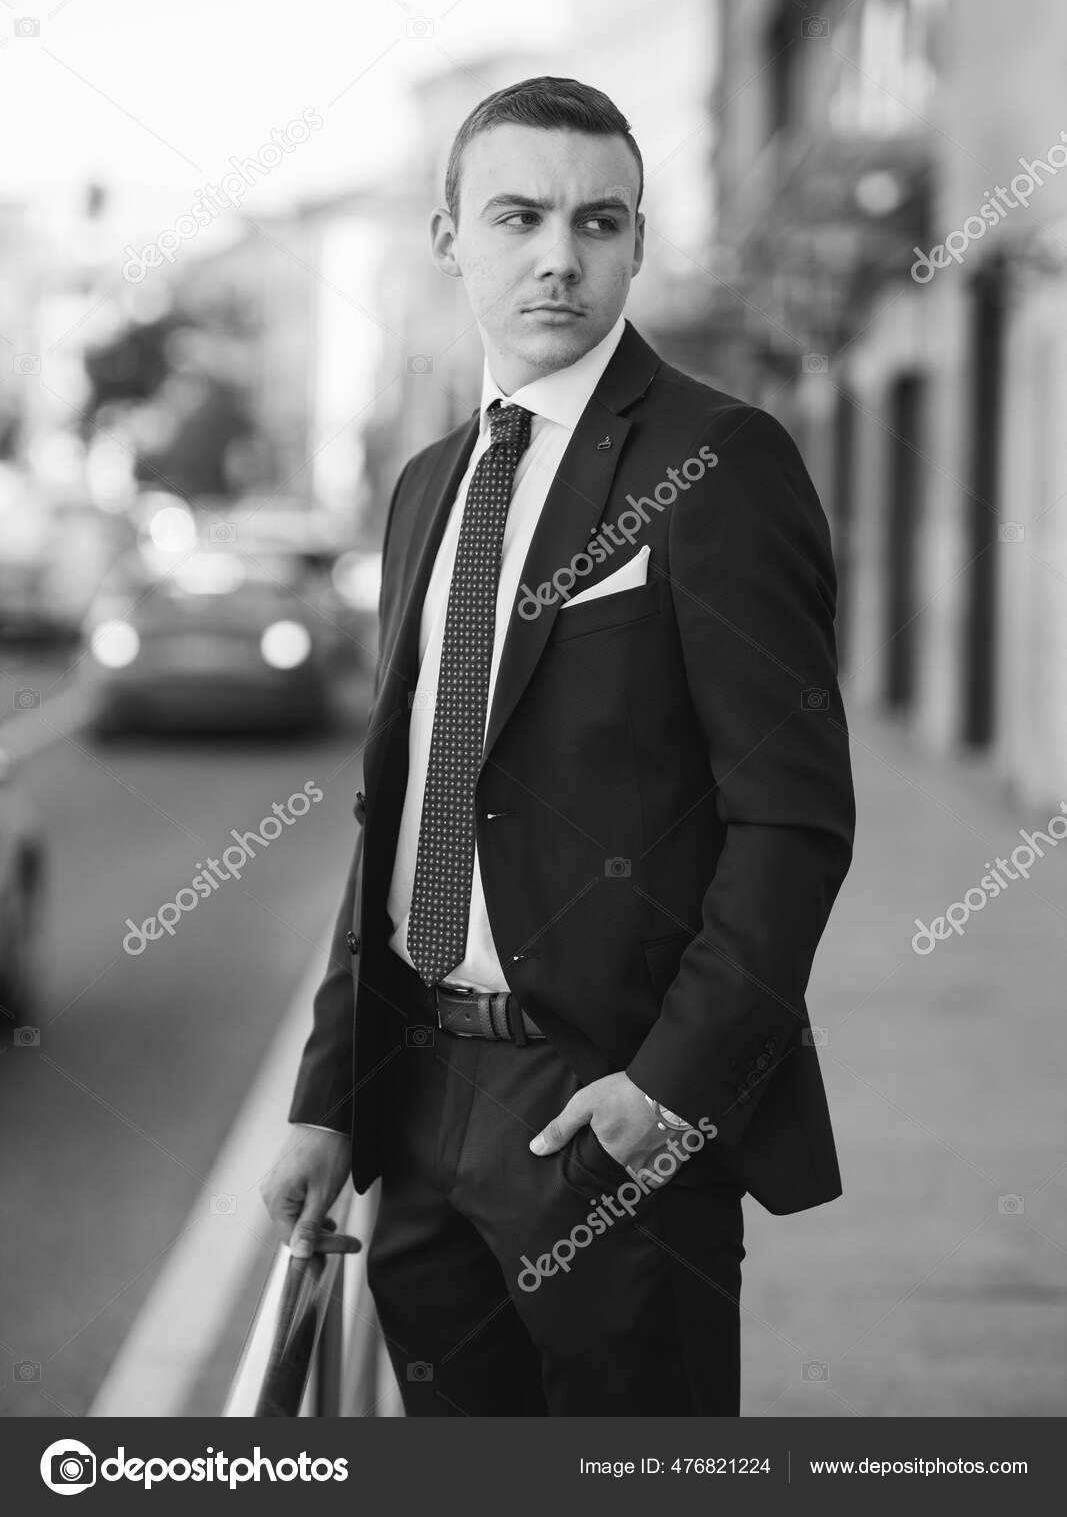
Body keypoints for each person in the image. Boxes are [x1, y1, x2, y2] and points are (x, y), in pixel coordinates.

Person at [261, 76, 855, 1417]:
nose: (559, 256)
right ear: (448, 236)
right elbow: (399, 810)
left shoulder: (721, 461)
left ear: (638, 244)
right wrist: (328, 1097)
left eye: (599, 222)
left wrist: (669, 1089)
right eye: (519, 216)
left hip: (602, 1109)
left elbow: (794, 821)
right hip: (417, 1101)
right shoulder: (430, 484)